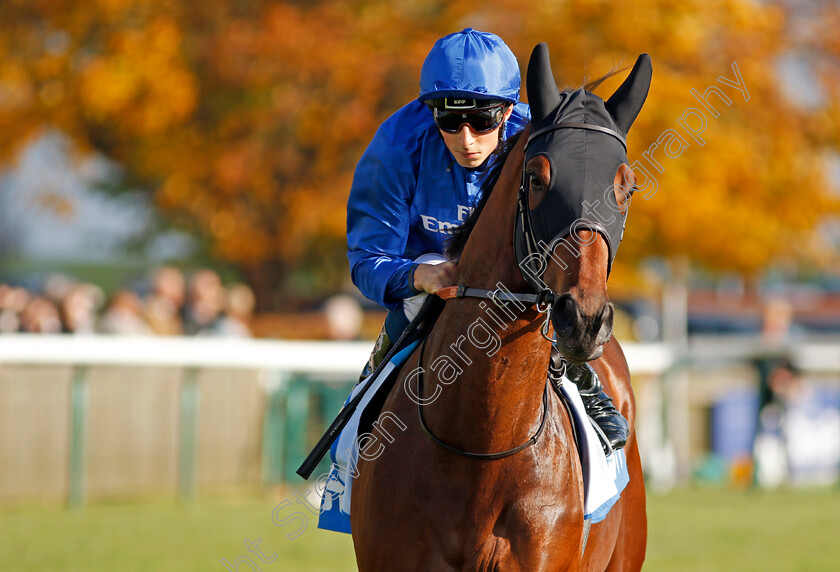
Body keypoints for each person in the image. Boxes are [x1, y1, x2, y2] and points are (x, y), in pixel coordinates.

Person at [346, 28, 628, 452]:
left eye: (482, 120)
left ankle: (582, 376)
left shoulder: (542, 137)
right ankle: (366, 405)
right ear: (429, 112)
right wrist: (419, 275)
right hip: (428, 285)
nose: (466, 139)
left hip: (519, 280)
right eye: (448, 120)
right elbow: (366, 258)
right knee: (417, 296)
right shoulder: (395, 146)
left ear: (510, 109)